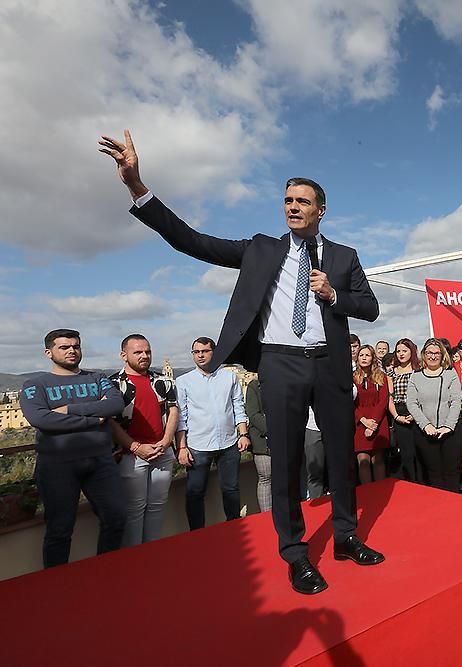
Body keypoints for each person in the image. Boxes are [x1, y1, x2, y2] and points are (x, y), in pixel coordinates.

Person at [101, 131, 382, 595]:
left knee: (339, 453)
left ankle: (347, 536)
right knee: (287, 459)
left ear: (321, 210)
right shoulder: (260, 249)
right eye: (287, 200)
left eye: (302, 201)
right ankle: (295, 554)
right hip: (280, 362)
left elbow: (369, 308)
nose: (292, 207)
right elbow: (191, 241)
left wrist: (336, 294)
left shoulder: (345, 257)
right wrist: (137, 186)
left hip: (330, 363)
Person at [20, 329, 126, 568]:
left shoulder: (97, 378)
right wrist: (93, 417)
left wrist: (68, 409)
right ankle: (57, 585)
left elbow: (115, 404)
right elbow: (41, 419)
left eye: (75, 346)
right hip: (58, 466)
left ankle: (107, 571)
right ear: (49, 353)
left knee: (116, 519)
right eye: (64, 347)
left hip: (100, 462)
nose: (72, 351)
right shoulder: (35, 385)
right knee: (59, 529)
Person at [107, 334, 179, 546]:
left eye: (147, 351)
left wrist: (166, 442)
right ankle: (134, 557)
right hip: (131, 456)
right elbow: (109, 421)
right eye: (138, 352)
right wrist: (135, 447)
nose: (144, 356)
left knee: (158, 505)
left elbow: (173, 410)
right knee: (135, 510)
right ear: (124, 355)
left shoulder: (162, 381)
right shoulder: (113, 385)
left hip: (162, 453)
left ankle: (152, 552)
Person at [175, 338, 249, 530]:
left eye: (205, 351)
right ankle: (197, 533)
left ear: (213, 352)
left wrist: (243, 434)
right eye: (196, 352)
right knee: (195, 493)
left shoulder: (229, 377)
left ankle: (234, 528)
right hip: (198, 446)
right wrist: (182, 447)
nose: (200, 355)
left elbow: (238, 406)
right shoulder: (183, 381)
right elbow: (181, 417)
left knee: (231, 489)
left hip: (229, 444)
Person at [407, 339, 462, 492]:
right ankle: (438, 508)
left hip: (451, 432)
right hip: (426, 433)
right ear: (423, 355)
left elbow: (456, 400)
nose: (433, 356)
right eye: (429, 353)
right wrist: (426, 425)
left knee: (451, 472)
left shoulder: (450, 374)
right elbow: (412, 403)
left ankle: (453, 505)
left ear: (442, 354)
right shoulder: (416, 377)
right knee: (433, 473)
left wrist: (448, 426)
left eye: (436, 353)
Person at [354, 345, 390, 484]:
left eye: (367, 355)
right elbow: (350, 403)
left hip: (378, 422)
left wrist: (373, 423)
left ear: (373, 358)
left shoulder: (381, 377)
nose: (364, 358)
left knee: (378, 460)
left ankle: (381, 493)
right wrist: (364, 421)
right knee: (363, 461)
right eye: (361, 355)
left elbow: (383, 400)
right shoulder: (352, 378)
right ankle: (368, 496)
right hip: (359, 423)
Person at [387, 338, 420, 482]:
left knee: (419, 452)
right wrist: (396, 416)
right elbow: (389, 397)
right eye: (398, 351)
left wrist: (415, 414)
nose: (401, 354)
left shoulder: (418, 371)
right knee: (406, 453)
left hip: (418, 413)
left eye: (404, 351)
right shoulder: (391, 373)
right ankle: (410, 483)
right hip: (399, 413)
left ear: (411, 351)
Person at [245, 376, 272, 512]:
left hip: (284, 439)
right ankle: (266, 516)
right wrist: (274, 431)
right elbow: (253, 414)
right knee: (265, 478)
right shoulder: (254, 386)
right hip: (263, 442)